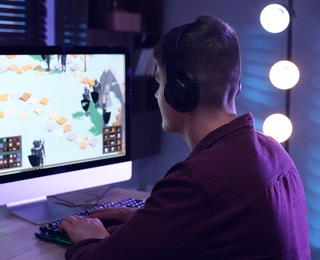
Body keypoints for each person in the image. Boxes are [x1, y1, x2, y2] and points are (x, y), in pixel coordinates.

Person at [59, 15, 311, 259]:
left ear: (180, 90)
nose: (157, 95)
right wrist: (150, 222)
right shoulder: (274, 151)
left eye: (159, 83)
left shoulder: (197, 181)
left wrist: (90, 237)